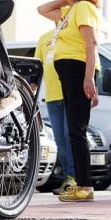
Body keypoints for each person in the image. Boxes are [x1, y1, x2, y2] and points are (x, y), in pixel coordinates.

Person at [37, 0, 101, 202]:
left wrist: (89, 77)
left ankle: (85, 185)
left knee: (76, 131)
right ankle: (82, 184)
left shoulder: (83, 7)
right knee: (74, 131)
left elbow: (91, 42)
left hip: (78, 70)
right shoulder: (69, 11)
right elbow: (42, 10)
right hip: (69, 73)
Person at [34, 27, 76, 195]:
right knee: (60, 140)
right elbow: (37, 68)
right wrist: (32, 87)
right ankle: (69, 178)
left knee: (69, 136)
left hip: (71, 95)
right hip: (52, 98)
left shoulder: (72, 34)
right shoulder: (44, 37)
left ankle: (75, 178)